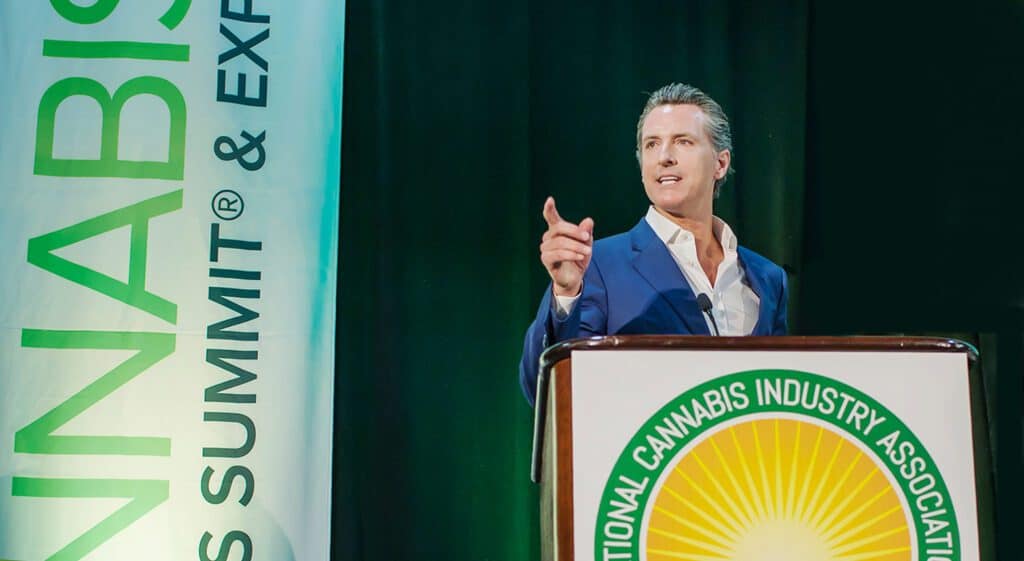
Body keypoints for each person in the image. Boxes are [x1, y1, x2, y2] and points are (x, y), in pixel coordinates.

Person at [519, 83, 788, 406]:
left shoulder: (767, 278)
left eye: (683, 142)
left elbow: (776, 394)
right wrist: (565, 296)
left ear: (720, 163)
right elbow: (544, 390)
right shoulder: (599, 265)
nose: (664, 157)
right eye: (651, 145)